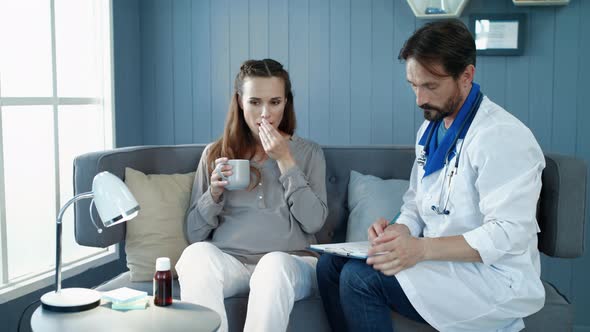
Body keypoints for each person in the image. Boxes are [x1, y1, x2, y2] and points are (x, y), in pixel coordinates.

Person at [316, 19, 545, 332]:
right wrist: (399, 230)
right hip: (442, 264)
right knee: (331, 265)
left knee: (360, 280)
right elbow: (416, 201)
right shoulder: (432, 128)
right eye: (413, 85)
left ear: (466, 76)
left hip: (492, 279)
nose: (419, 99)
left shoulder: (501, 137)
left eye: (430, 86)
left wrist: (420, 249)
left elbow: (507, 233)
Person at [176, 59, 328, 332]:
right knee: (195, 255)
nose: (265, 113)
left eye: (275, 102)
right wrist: (214, 193)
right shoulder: (214, 154)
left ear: (286, 102)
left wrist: (285, 161)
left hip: (291, 263)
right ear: (239, 101)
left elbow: (314, 222)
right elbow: (194, 234)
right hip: (232, 263)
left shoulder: (309, 153)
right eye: (255, 102)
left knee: (272, 265)